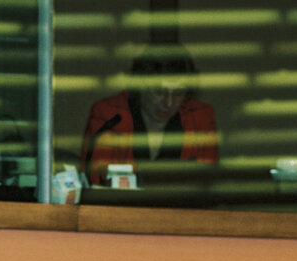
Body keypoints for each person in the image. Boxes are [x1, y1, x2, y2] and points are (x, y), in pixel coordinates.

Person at [80, 44, 217, 186]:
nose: (168, 103)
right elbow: (96, 182)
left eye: (178, 93)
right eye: (159, 92)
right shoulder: (108, 115)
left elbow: (205, 184)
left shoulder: (200, 118)